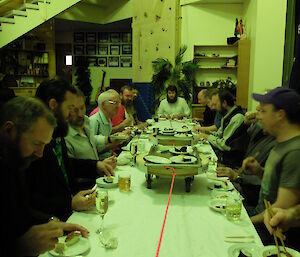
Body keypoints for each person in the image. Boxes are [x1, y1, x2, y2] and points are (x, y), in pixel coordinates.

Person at [0, 96, 89, 257]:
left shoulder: (15, 160)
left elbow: (21, 210)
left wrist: (52, 222)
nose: (40, 154)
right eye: (36, 143)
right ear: (8, 131)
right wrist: (18, 247)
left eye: (44, 145)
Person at [27, 79, 114, 221]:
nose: (72, 114)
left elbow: (65, 166)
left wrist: (95, 165)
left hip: (71, 212)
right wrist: (68, 203)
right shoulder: (34, 143)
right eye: (70, 108)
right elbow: (30, 199)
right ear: (53, 105)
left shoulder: (57, 129)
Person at [245, 87, 300, 249]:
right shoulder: (282, 142)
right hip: (259, 213)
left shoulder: (295, 151)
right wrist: (259, 171)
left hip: (274, 233)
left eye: (263, 111)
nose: (258, 116)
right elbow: (277, 183)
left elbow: (279, 209)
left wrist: (244, 221)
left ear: (280, 115)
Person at [65, 87, 117, 168]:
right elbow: (72, 168)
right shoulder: (64, 135)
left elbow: (91, 140)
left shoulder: (85, 120)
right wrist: (96, 166)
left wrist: (101, 163)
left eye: (82, 108)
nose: (80, 114)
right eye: (75, 110)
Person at [197, 90, 247, 166]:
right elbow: (219, 135)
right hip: (223, 157)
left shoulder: (237, 118)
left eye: (215, 104)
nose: (212, 107)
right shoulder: (227, 116)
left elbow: (224, 145)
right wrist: (205, 133)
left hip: (230, 162)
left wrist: (207, 137)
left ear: (224, 103)